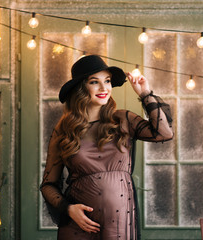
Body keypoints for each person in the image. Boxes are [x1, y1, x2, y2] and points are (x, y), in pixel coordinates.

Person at [40, 55, 173, 240]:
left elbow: (164, 133)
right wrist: (69, 209)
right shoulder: (64, 130)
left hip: (119, 223)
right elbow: (48, 185)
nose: (104, 88)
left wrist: (145, 93)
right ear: (80, 88)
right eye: (95, 82)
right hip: (79, 226)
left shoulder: (123, 119)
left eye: (107, 81)